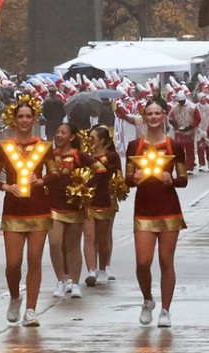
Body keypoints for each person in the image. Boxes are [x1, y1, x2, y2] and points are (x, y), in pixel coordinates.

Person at [0, 97, 52, 327]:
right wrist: (6, 186)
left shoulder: (44, 147)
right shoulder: (4, 147)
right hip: (13, 209)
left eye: (28, 116)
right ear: (13, 120)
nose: (24, 120)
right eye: (20, 117)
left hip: (38, 208)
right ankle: (15, 297)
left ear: (34, 119)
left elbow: (54, 174)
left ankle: (32, 310)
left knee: (34, 260)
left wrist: (41, 180)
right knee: (13, 264)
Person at [127, 100, 188, 327]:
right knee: (143, 262)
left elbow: (183, 179)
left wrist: (172, 179)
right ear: (144, 118)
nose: (153, 117)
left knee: (165, 260)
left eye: (157, 113)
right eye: (149, 114)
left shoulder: (174, 146)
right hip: (143, 209)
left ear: (164, 116)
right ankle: (147, 299)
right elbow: (127, 179)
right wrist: (133, 178)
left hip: (169, 209)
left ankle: (165, 310)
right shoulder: (135, 146)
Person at [45, 122, 90, 300]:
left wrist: (83, 187)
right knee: (55, 243)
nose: (59, 135)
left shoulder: (79, 156)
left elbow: (100, 170)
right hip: (54, 205)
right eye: (57, 132)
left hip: (74, 206)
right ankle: (61, 280)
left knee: (73, 245)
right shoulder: (50, 156)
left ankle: (75, 282)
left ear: (71, 137)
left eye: (63, 133)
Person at [83, 124, 121, 286]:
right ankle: (91, 270)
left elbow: (114, 174)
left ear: (103, 141)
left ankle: (104, 268)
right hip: (87, 200)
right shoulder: (86, 155)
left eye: (93, 138)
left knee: (103, 237)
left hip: (106, 199)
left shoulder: (112, 156)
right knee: (89, 236)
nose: (90, 141)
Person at [168, 93, 200, 174]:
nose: (180, 103)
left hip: (189, 131)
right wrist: (174, 124)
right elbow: (170, 117)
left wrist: (190, 127)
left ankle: (190, 167)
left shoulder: (192, 107)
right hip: (179, 131)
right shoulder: (175, 108)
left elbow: (198, 119)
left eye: (182, 101)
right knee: (179, 150)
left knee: (190, 150)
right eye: (179, 101)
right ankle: (180, 166)